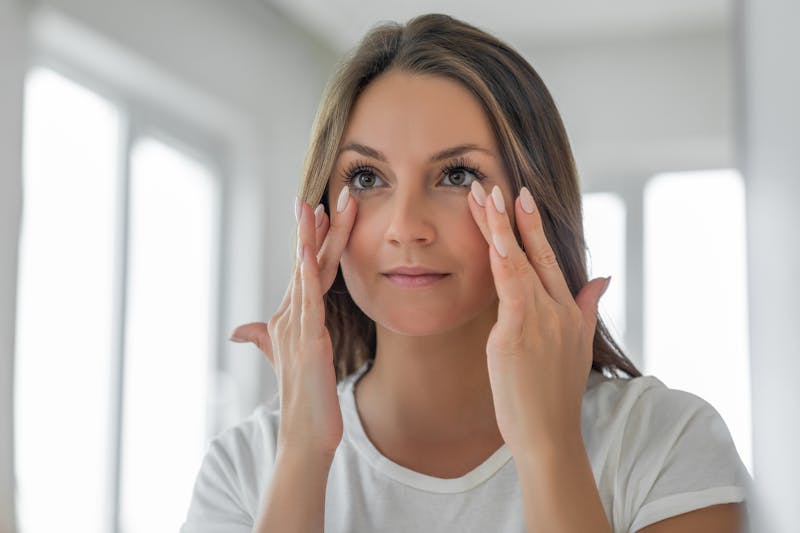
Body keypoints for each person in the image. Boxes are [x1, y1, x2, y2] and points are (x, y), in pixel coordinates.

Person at [180, 13, 752, 533]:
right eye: (366, 178)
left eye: (456, 175)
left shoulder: (665, 444)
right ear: (323, 213)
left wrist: (549, 447)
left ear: (533, 201)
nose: (406, 227)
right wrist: (302, 451)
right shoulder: (244, 470)